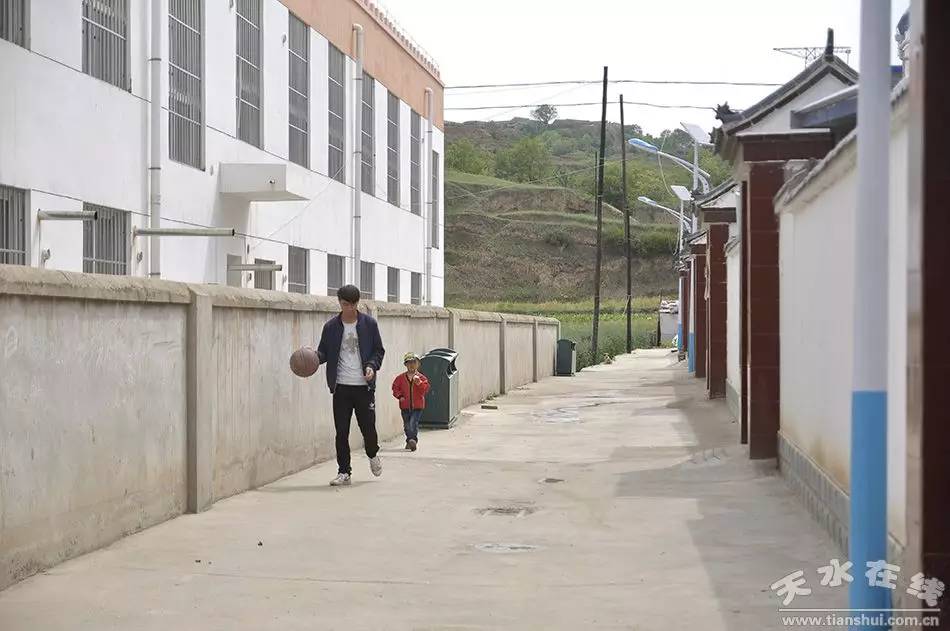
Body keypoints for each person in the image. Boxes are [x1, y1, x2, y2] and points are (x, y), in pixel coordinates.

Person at [315, 284, 385, 486]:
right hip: (341, 387)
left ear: (356, 304)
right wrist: (312, 357)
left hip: (364, 387)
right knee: (341, 431)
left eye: (348, 304)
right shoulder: (331, 327)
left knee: (368, 429)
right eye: (342, 304)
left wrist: (372, 366)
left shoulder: (369, 324)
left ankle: (373, 455)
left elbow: (379, 351)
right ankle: (344, 471)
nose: (345, 307)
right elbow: (324, 353)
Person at [392, 352, 430, 451]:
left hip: (417, 406)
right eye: (409, 363)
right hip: (405, 406)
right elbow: (395, 388)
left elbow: (425, 389)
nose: (411, 365)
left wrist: (419, 383)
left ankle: (413, 440)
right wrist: (399, 396)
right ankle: (409, 440)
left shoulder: (421, 378)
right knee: (406, 425)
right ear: (405, 364)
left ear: (418, 364)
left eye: (414, 362)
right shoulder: (400, 378)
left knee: (413, 423)